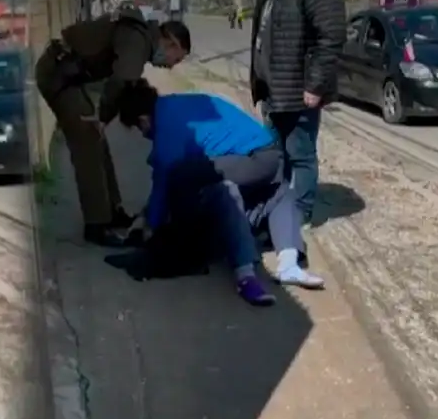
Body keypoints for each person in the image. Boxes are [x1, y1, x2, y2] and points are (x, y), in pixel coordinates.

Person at [117, 80, 325, 306]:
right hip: (271, 157)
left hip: (255, 160)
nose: (143, 133)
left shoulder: (166, 125)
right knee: (280, 194)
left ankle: (246, 274)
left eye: (140, 129)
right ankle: (289, 263)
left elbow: (163, 176)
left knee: (217, 188)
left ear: (143, 119)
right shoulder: (174, 105)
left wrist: (151, 224)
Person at [34, 9, 191, 246]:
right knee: (87, 139)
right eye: (175, 59)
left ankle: (112, 212)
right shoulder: (138, 40)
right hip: (56, 75)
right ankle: (97, 225)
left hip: (68, 75)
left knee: (97, 137)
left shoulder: (139, 37)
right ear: (169, 42)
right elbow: (121, 80)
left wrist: (104, 117)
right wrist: (103, 115)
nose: (170, 66)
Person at [248, 0, 346, 227]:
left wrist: (315, 85)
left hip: (299, 93)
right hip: (273, 92)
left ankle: (300, 213)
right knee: (274, 155)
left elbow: (331, 36)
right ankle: (277, 208)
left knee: (300, 154)